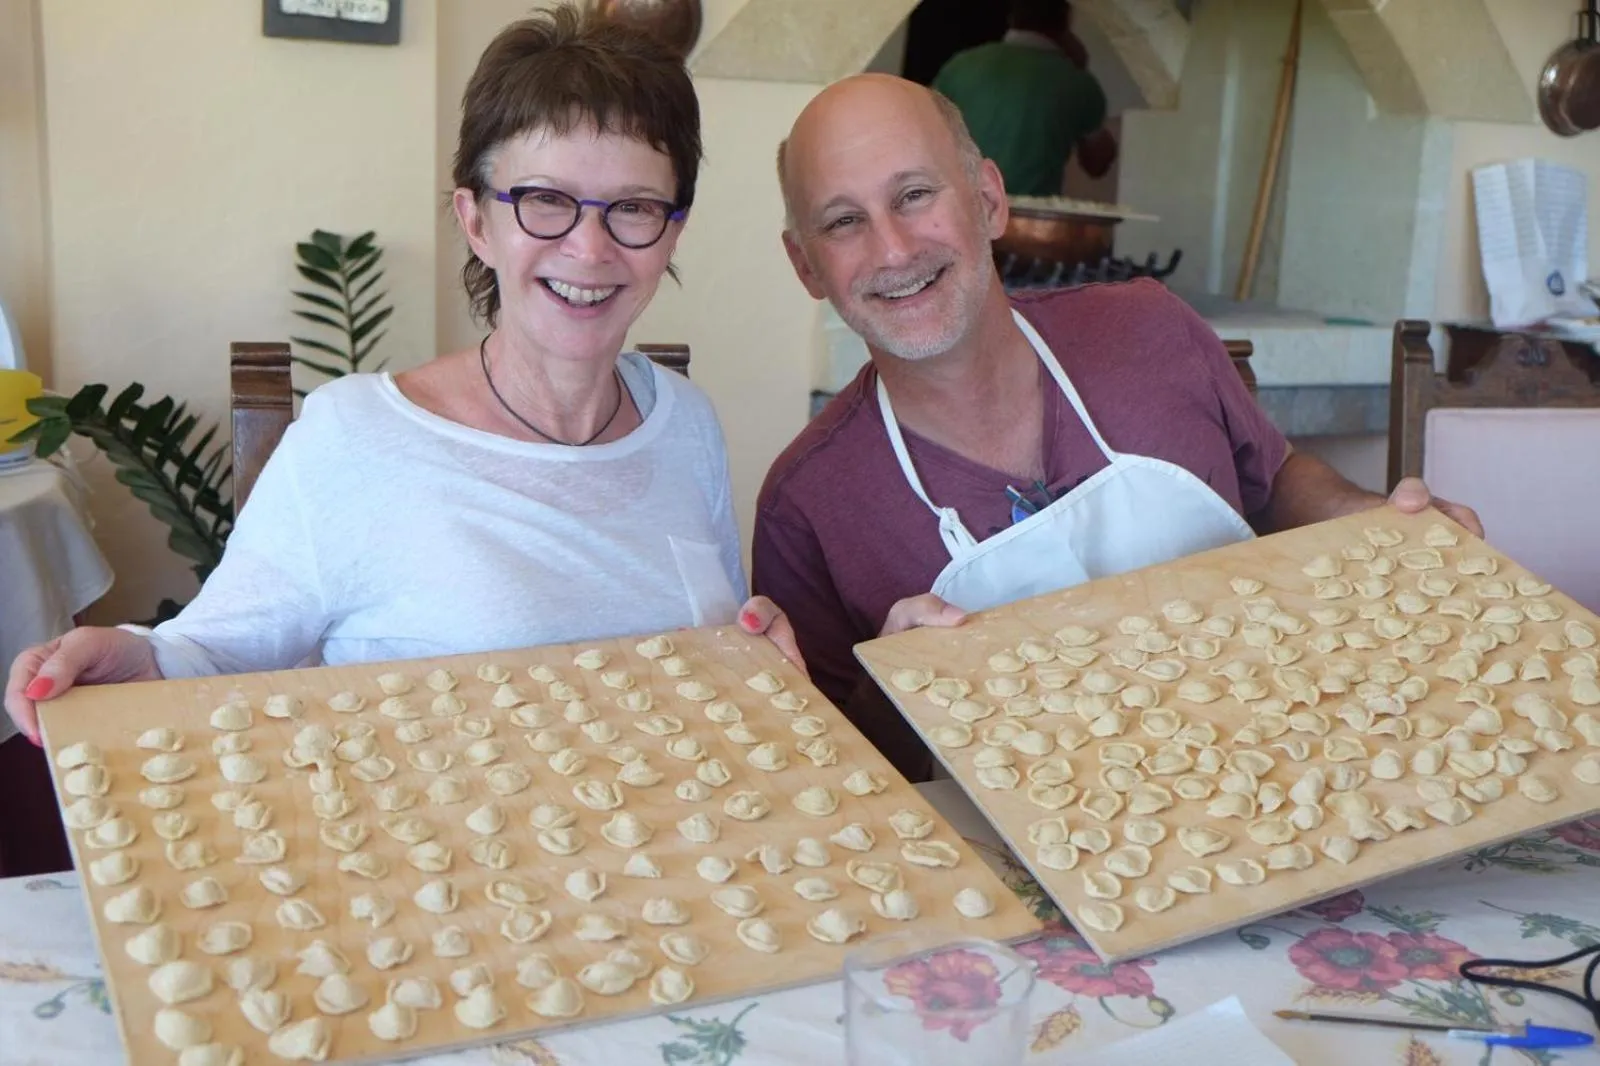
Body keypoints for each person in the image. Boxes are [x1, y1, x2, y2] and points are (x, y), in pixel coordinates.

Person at [4, 6, 800, 755]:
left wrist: (753, 655)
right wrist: (137, 661)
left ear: (672, 232)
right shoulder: (358, 436)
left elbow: (710, 660)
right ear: (476, 220)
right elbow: (211, 652)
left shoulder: (686, 423)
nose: (590, 249)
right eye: (545, 200)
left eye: (633, 208)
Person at [754, 74, 1480, 779]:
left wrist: (1371, 521)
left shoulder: (1148, 330)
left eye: (914, 195)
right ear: (805, 265)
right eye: (843, 222)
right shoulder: (807, 503)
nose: (892, 250)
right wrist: (892, 685)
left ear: (988, 200)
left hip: (1277, 767)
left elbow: (1275, 476)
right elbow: (827, 771)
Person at [932, 0, 1117, 195]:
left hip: (963, 202)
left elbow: (923, 134)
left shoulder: (960, 66)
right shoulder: (1076, 81)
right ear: (1066, 21)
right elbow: (1097, 164)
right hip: (1033, 211)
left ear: (1012, 17)